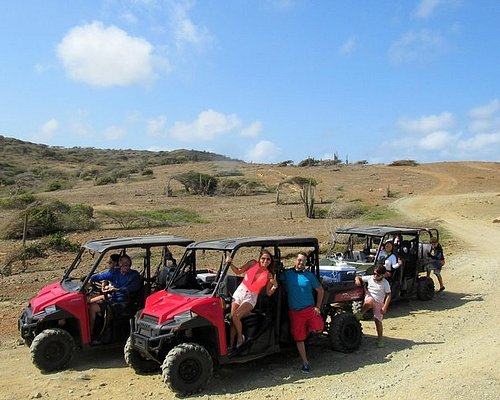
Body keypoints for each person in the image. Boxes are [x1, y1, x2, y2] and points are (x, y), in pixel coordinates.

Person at [281, 252, 324, 373]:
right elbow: (276, 279)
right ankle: (305, 362)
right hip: (295, 312)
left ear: (306, 263)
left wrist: (318, 307)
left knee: (319, 328)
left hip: (309, 309)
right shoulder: (287, 274)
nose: (301, 263)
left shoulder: (309, 276)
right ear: (295, 260)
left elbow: (320, 290)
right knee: (299, 338)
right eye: (299, 260)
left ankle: (309, 337)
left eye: (303, 261)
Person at [225, 249, 278, 350]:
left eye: (268, 259)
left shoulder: (269, 275)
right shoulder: (252, 263)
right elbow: (238, 271)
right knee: (233, 320)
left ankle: (240, 337)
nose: (265, 261)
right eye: (263, 258)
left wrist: (274, 286)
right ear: (259, 258)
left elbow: (268, 292)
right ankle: (231, 346)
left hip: (251, 296)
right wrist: (230, 263)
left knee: (236, 316)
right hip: (240, 291)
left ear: (270, 261)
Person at [88, 254, 142, 336]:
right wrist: (90, 279)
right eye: (123, 263)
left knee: (93, 308)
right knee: (89, 303)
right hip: (112, 299)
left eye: (127, 263)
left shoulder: (134, 275)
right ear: (119, 264)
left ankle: (92, 336)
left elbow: (131, 288)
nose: (125, 265)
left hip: (124, 302)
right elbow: (100, 276)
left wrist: (115, 290)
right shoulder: (114, 273)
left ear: (130, 264)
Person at [355, 265, 391, 348]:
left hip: (379, 301)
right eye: (374, 273)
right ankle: (361, 313)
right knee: (369, 302)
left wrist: (384, 307)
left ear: (382, 275)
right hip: (370, 297)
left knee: (378, 321)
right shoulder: (370, 278)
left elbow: (388, 295)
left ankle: (380, 339)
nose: (375, 276)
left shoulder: (385, 283)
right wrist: (357, 280)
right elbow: (359, 277)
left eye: (378, 275)